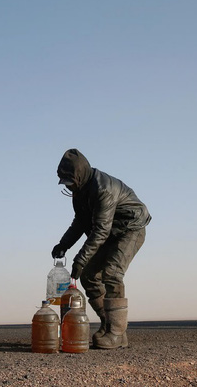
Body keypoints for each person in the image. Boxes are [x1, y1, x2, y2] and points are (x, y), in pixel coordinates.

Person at [51, 149, 151, 349]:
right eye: (66, 183)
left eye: (71, 182)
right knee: (88, 276)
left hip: (130, 229)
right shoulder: (79, 190)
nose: (70, 188)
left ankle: (116, 333)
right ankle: (110, 325)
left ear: (80, 175)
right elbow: (80, 221)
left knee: (112, 273)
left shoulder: (103, 189)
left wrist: (79, 259)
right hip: (111, 231)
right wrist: (64, 244)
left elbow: (100, 231)